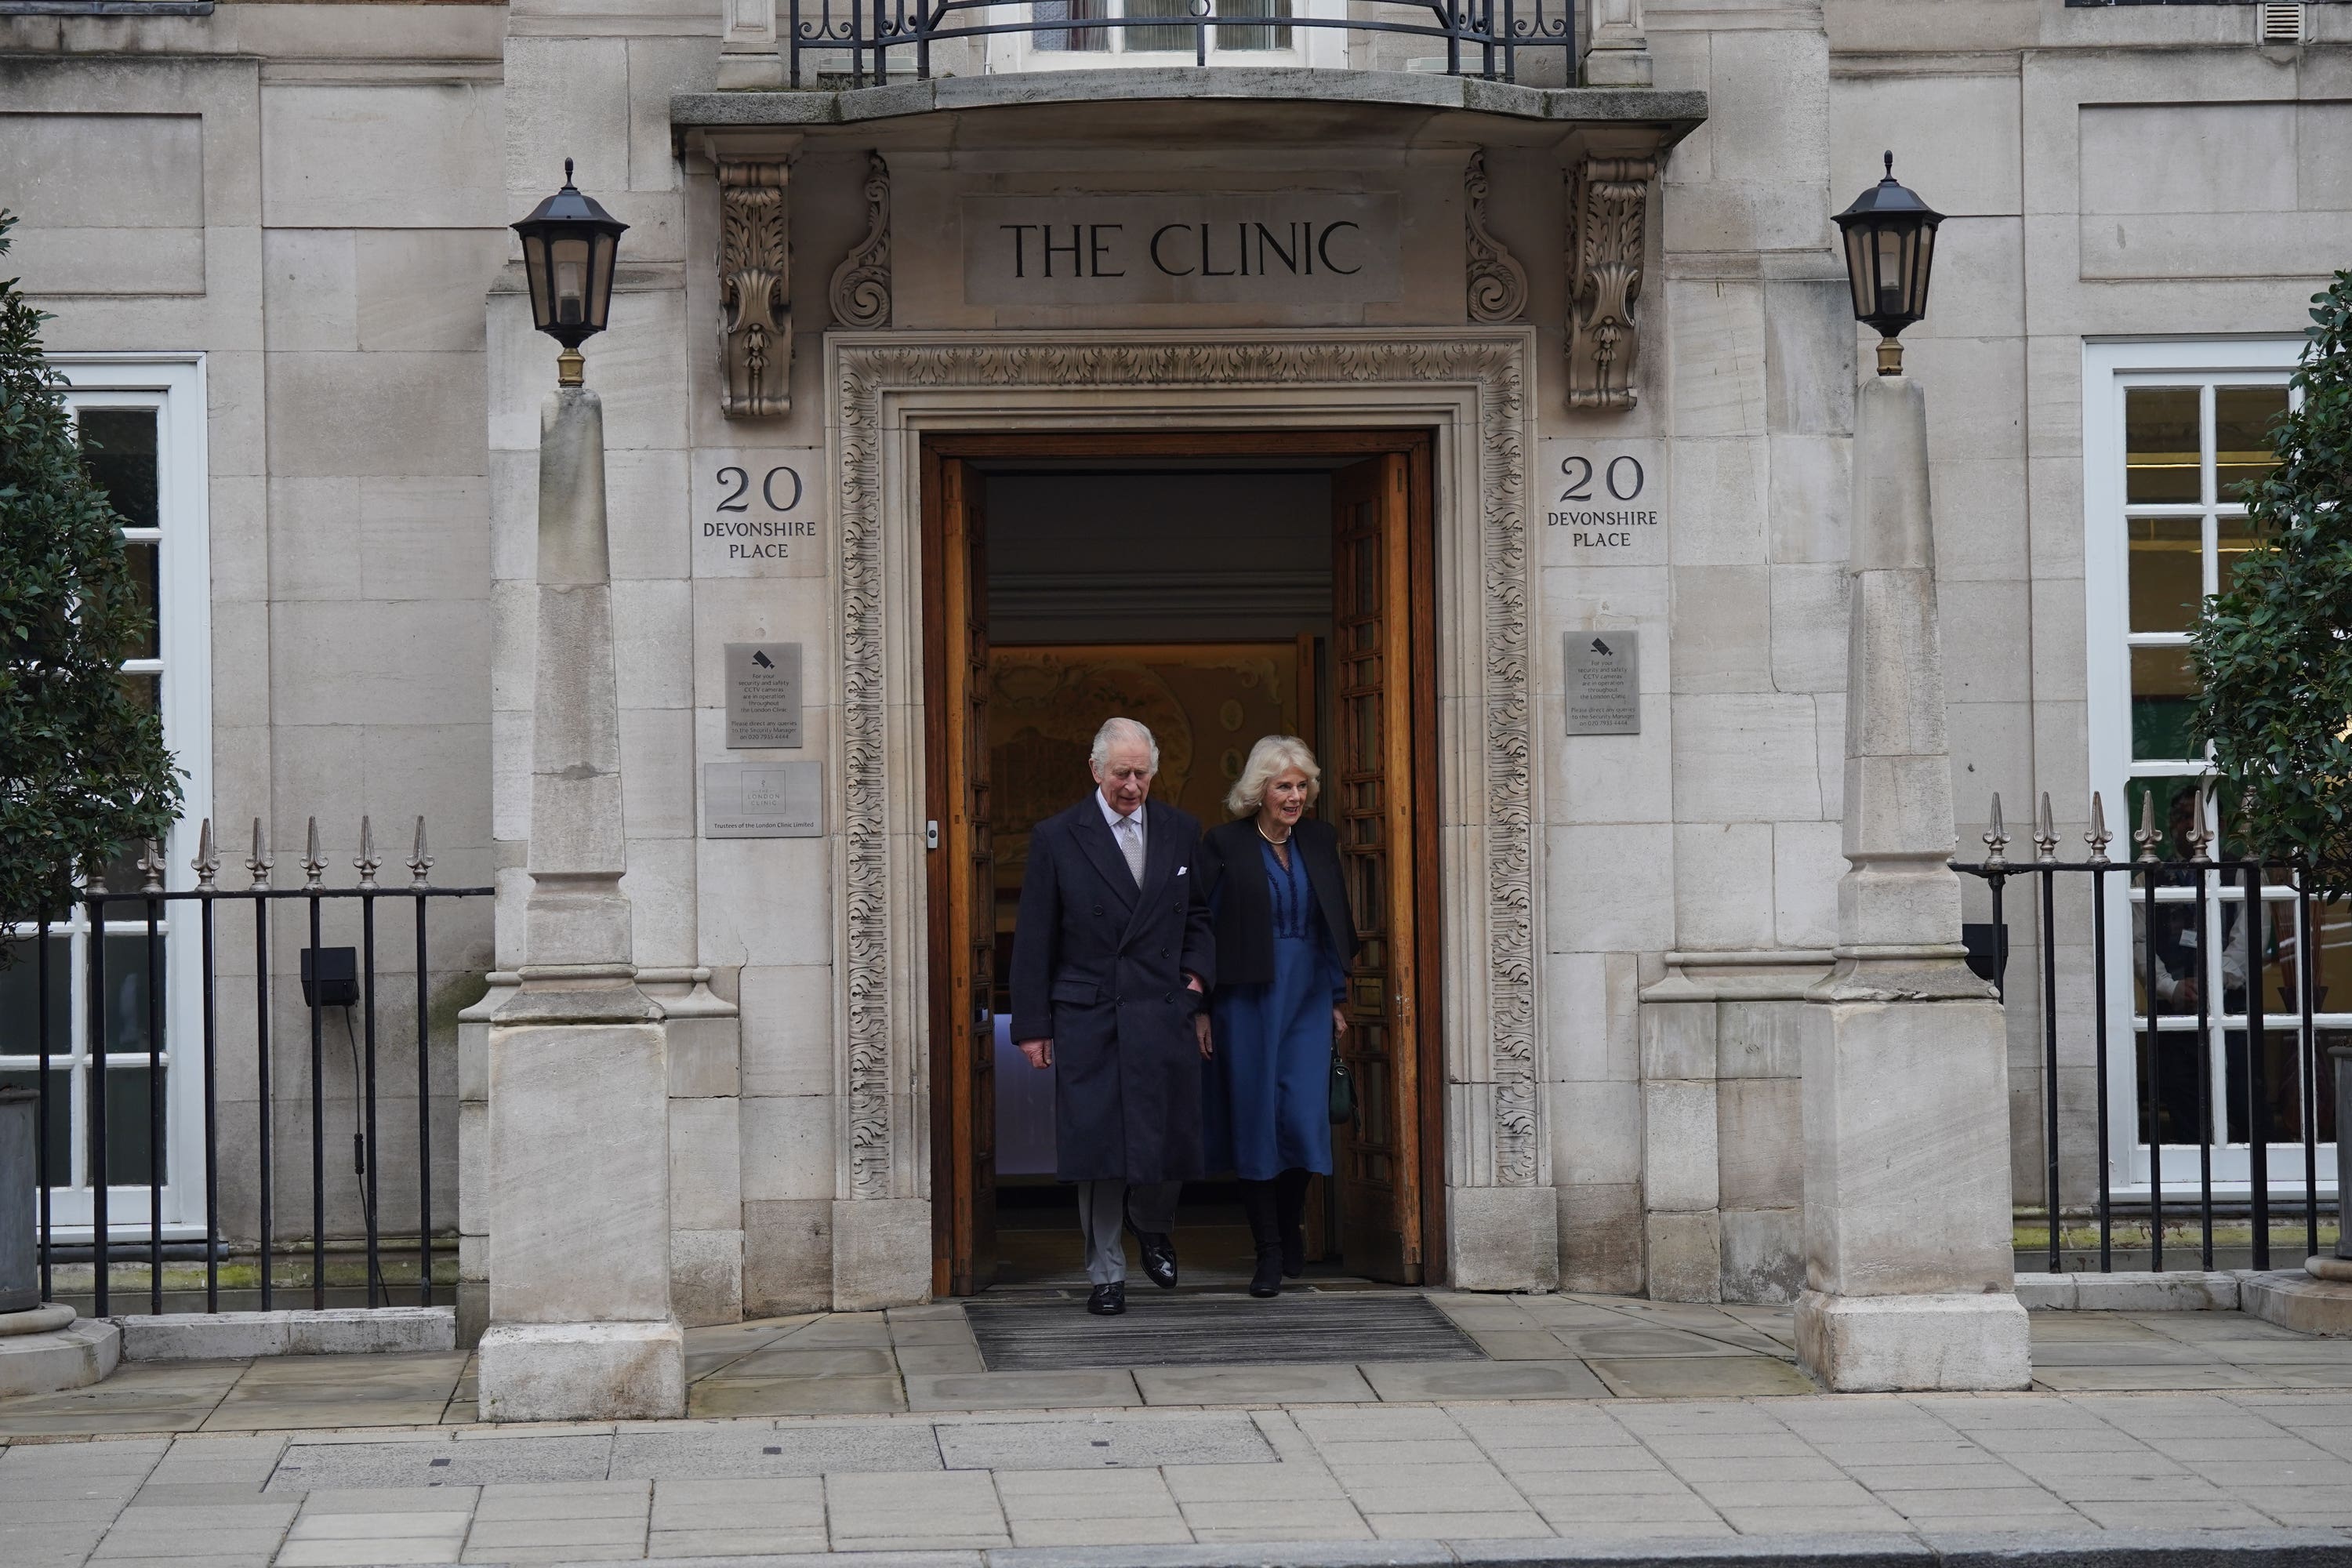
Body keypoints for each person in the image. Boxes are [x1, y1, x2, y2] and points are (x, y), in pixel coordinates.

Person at [1008, 717, 1216, 1316]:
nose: (1132, 785)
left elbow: (1199, 915)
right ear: (1096, 771)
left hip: (1162, 1007)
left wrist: (1198, 980)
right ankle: (1107, 1274)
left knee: (1169, 1136)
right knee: (1098, 1148)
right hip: (1091, 1012)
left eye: (1142, 773)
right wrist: (1033, 1026)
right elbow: (1035, 938)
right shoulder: (1057, 836)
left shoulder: (1180, 830)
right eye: (1122, 773)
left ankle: (1151, 1223)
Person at [1196, 735, 1357, 1298]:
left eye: (1302, 785)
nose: (1295, 796)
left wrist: (1338, 997)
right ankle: (1267, 1251)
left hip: (1308, 996)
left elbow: (1332, 922)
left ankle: (1289, 1225)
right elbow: (1203, 930)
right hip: (1246, 1001)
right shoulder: (1224, 844)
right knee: (1257, 1123)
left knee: (1304, 1120)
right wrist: (1201, 1007)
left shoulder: (1319, 838)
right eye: (1283, 785)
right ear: (1258, 790)